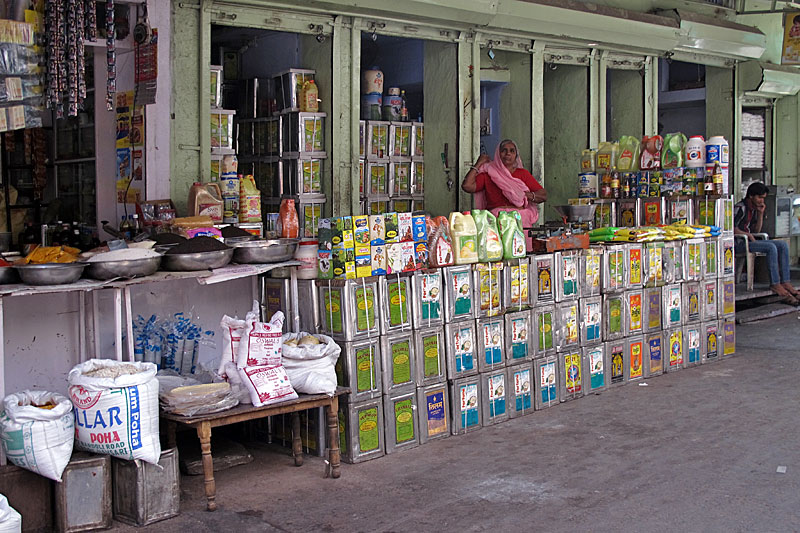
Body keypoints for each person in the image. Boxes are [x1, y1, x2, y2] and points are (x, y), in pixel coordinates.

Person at [461, 139, 547, 233]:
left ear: (516, 155)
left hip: (520, 220)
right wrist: (478, 164)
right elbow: (467, 186)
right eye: (504, 150)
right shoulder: (489, 174)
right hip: (496, 220)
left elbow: (543, 195)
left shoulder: (523, 174)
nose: (508, 154)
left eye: (512, 151)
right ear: (498, 154)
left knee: (521, 247)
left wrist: (524, 195)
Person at [734, 181, 799, 305]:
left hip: (750, 241)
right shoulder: (740, 208)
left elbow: (756, 231)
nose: (761, 201)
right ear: (751, 196)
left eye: (763, 198)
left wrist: (760, 214)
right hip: (739, 243)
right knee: (771, 248)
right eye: (759, 197)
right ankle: (775, 284)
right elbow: (731, 228)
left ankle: (785, 281)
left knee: (782, 245)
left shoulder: (754, 210)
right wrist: (747, 235)